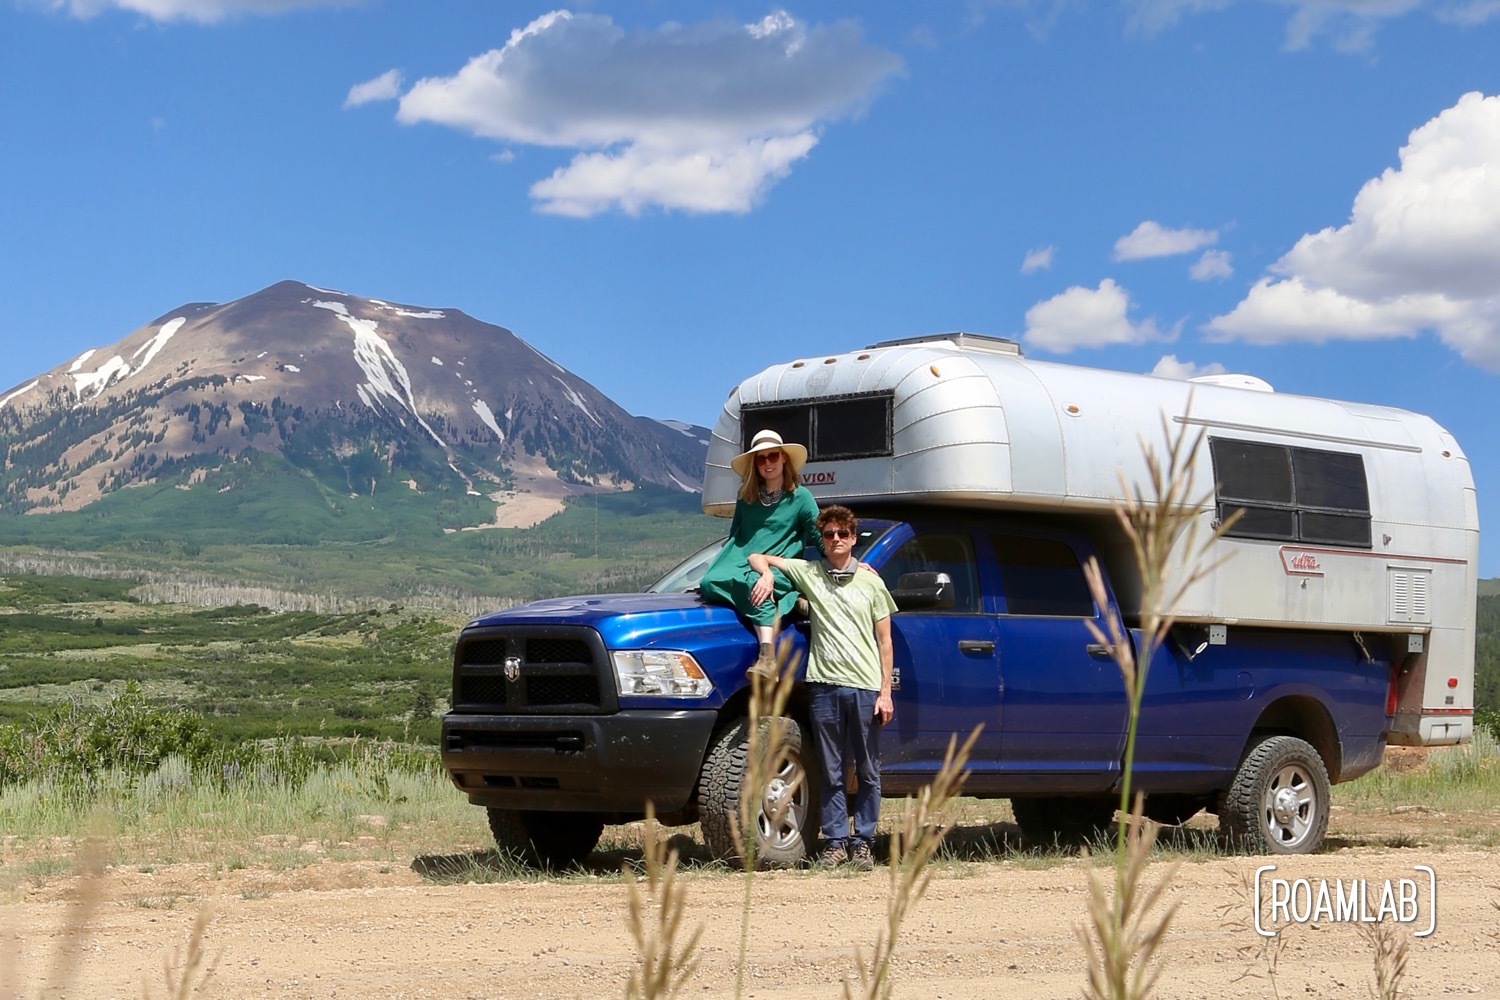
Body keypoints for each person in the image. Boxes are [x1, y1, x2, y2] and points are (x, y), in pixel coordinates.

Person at [748, 504, 896, 872]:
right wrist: (765, 575)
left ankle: (863, 841)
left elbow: (885, 642)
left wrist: (885, 692)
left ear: (852, 538)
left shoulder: (871, 582)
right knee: (830, 770)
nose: (835, 541)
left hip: (863, 688)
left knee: (867, 770)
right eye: (828, 535)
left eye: (842, 535)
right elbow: (755, 555)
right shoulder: (810, 573)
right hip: (824, 688)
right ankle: (835, 843)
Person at [698, 429, 820, 677]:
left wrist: (847, 562)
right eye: (761, 459)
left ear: (783, 458)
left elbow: (818, 536)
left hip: (780, 562)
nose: (767, 463)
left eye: (773, 456)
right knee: (709, 582)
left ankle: (767, 658)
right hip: (743, 559)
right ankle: (788, 598)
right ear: (755, 463)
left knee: (756, 585)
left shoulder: (801, 497)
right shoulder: (746, 497)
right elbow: (737, 535)